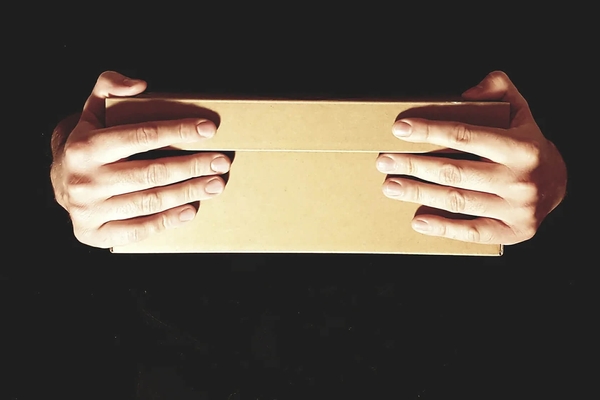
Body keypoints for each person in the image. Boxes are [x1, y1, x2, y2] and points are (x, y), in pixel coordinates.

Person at [50, 70, 567, 248]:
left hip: (448, 329)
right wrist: (65, 166)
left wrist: (555, 178)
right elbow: (38, 80)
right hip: (169, 328)